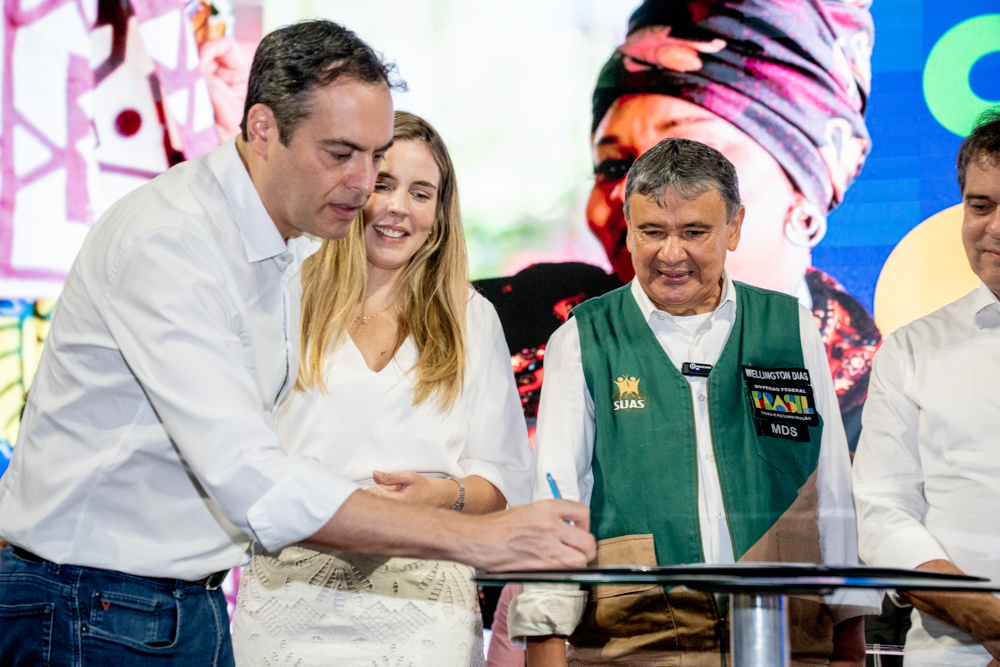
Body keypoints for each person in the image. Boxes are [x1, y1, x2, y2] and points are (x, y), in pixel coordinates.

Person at [0, 20, 595, 666]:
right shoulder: (173, 242)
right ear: (262, 129)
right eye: (341, 154)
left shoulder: (280, 250)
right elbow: (255, 480)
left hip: (176, 604)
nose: (367, 186)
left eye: (376, 157)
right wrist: (476, 540)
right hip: (97, 601)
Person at [507, 138, 880, 666]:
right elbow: (556, 501)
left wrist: (849, 630)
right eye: (652, 232)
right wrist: (545, 642)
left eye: (694, 232)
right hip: (636, 643)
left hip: (785, 638)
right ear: (629, 229)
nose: (671, 253)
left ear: (733, 227)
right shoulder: (583, 338)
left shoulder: (791, 329)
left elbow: (832, 491)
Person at [476, 0, 880, 452]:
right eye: (613, 166)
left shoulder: (888, 406)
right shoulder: (504, 327)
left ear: (806, 199)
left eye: (690, 160)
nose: (640, 201)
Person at [230, 110, 530, 666]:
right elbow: (236, 455)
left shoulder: (471, 317)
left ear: (440, 214)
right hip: (288, 598)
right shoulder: (281, 293)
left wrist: (441, 496)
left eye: (421, 193)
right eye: (384, 185)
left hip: (424, 608)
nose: (397, 208)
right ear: (353, 187)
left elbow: (505, 478)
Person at [852, 108, 1000, 667]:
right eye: (980, 205)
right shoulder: (912, 350)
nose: (995, 226)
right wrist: (992, 624)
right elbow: (883, 515)